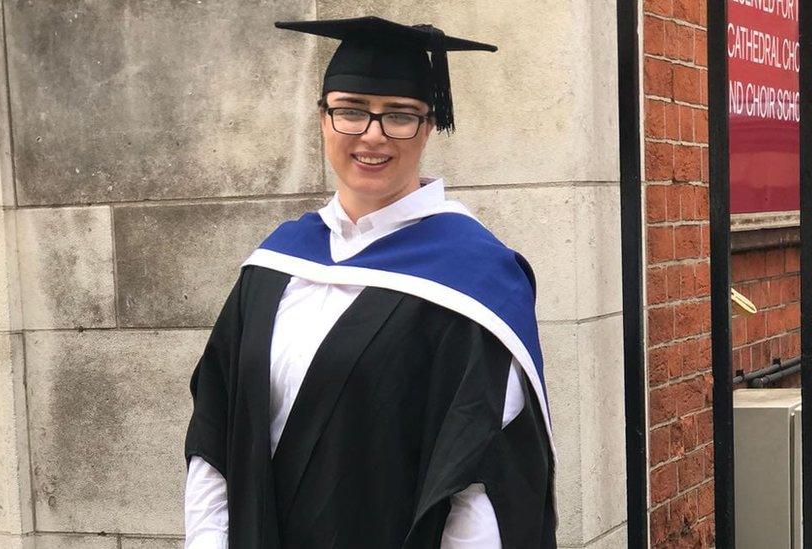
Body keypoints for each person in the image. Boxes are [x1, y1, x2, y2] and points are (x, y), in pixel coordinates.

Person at [184, 16, 557, 548]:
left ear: (429, 127)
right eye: (351, 111)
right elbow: (214, 436)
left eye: (400, 117)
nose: (373, 136)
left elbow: (480, 483)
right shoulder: (274, 266)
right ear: (323, 119)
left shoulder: (474, 282)